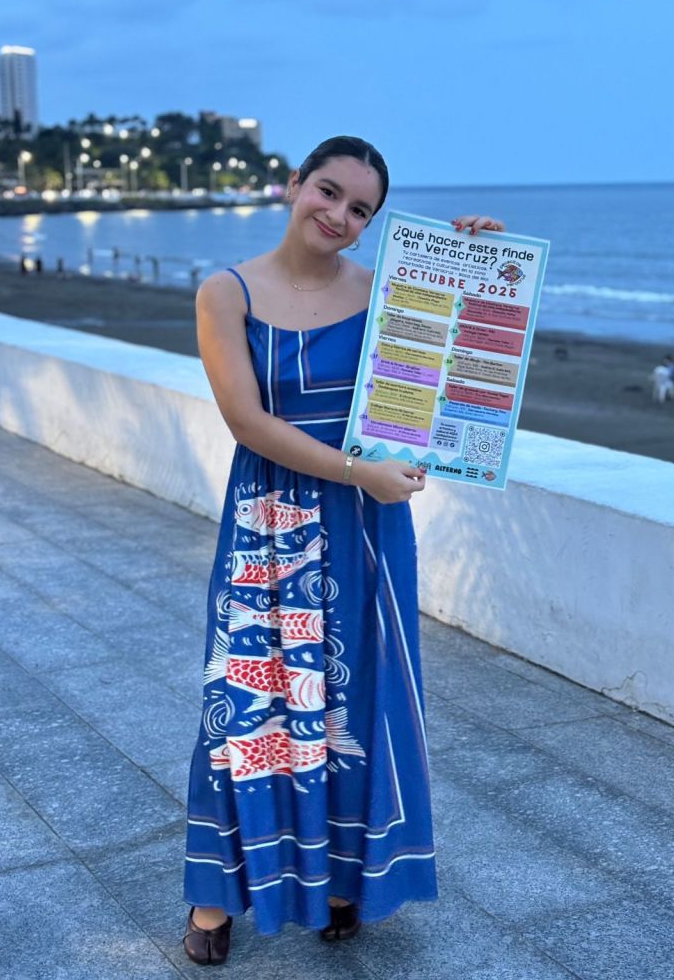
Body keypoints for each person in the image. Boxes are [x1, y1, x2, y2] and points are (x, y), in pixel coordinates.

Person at [181, 135, 505, 966]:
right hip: (271, 522)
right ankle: (214, 894)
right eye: (327, 192)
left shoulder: (388, 289)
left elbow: (453, 378)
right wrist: (361, 471)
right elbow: (248, 423)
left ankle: (338, 878)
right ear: (294, 185)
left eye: (361, 209)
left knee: (357, 701)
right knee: (254, 698)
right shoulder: (226, 291)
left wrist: (466, 268)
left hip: (368, 523)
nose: (339, 215)